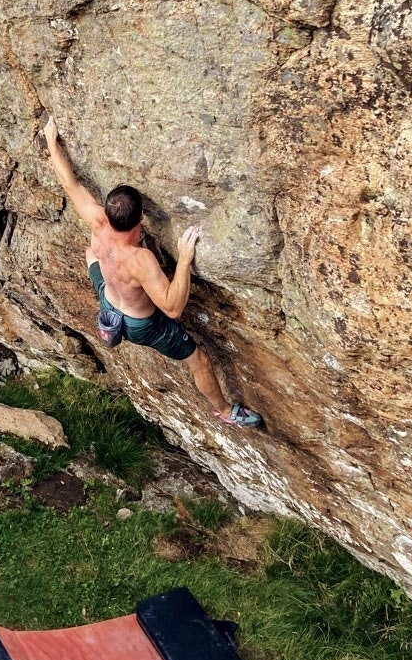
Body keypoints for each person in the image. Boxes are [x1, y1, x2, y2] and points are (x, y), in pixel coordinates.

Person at [44, 115, 263, 428]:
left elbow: (71, 183)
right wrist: (185, 260)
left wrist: (52, 142)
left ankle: (109, 325)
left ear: (107, 211)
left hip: (108, 299)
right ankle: (227, 412)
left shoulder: (97, 223)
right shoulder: (140, 260)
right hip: (142, 325)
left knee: (91, 253)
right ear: (141, 219)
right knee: (198, 359)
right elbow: (172, 308)